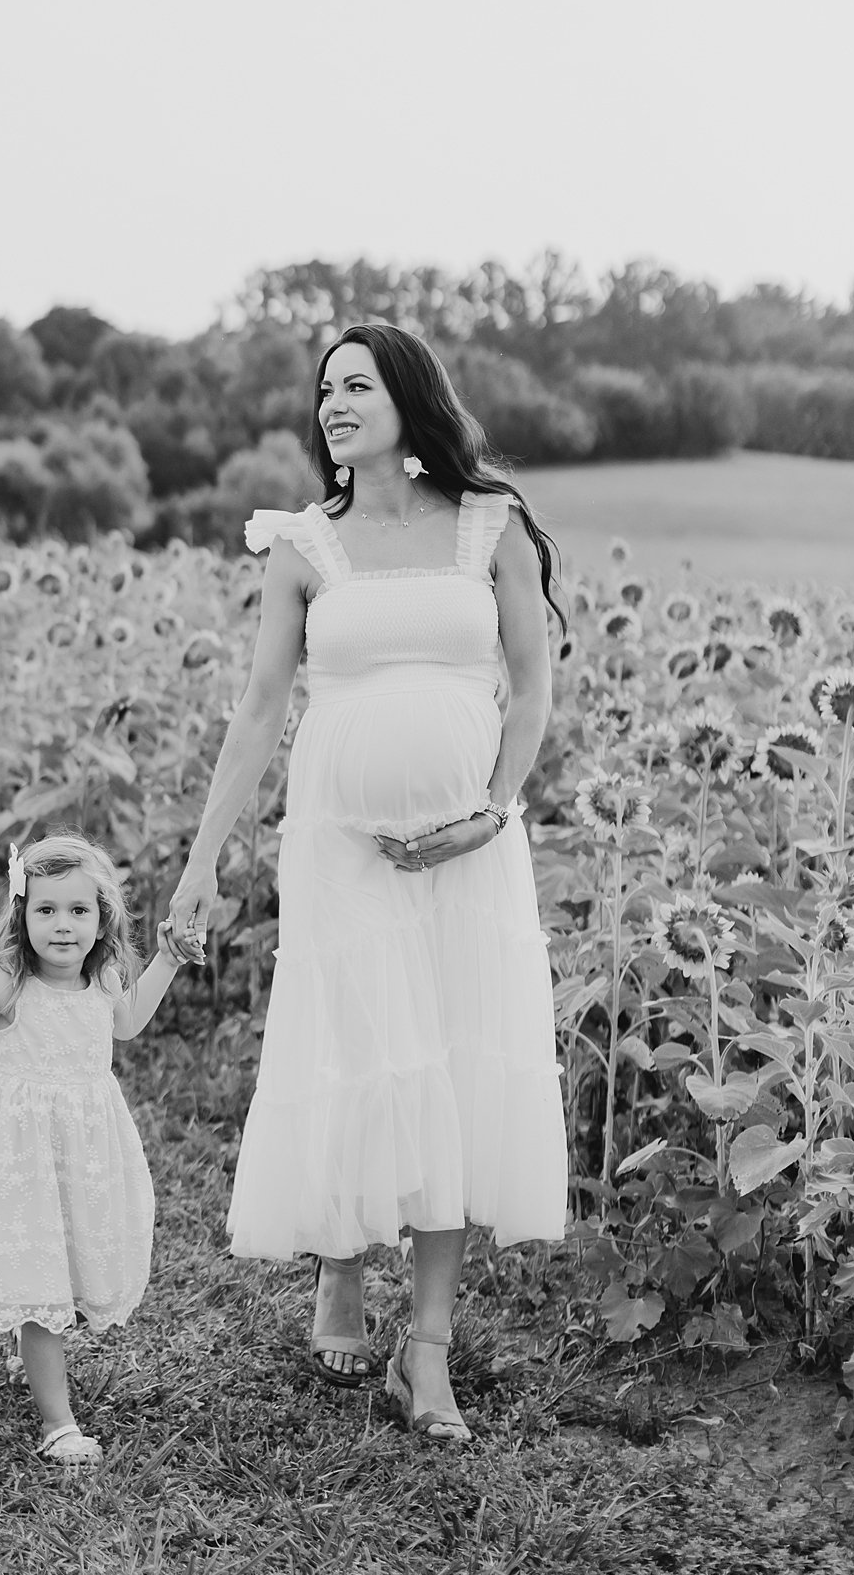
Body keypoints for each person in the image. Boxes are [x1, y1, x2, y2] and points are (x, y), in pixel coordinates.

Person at [167, 322, 567, 1442]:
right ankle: (341, 1267)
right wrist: (200, 863)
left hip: (470, 847)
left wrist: (489, 811)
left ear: (410, 397)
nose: (336, 402)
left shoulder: (490, 525)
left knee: (447, 1063)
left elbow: (530, 689)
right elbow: (258, 714)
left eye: (359, 383)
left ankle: (425, 1349)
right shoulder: (302, 545)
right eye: (326, 388)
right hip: (340, 847)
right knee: (360, 1050)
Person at [0, 833, 198, 1466]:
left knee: (71, 1267)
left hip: (83, 1155)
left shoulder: (103, 980)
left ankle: (32, 1359)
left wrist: (168, 957)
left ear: (102, 917)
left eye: (78, 911)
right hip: (23, 1161)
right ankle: (58, 1422)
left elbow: (129, 1021)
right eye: (45, 909)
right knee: (42, 1282)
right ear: (21, 914)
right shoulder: (5, 986)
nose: (62, 925)